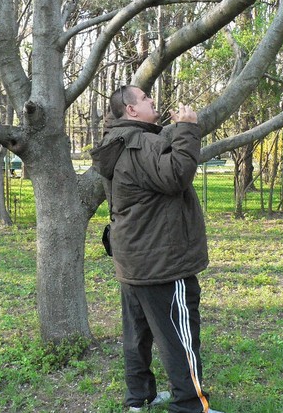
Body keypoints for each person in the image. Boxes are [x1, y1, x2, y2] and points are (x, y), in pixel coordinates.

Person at [91, 85, 223, 413]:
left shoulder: (117, 143)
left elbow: (158, 160)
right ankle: (191, 406)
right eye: (146, 99)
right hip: (161, 261)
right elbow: (177, 174)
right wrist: (189, 129)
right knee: (180, 337)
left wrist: (176, 131)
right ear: (131, 110)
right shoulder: (140, 144)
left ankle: (139, 399)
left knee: (137, 334)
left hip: (133, 258)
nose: (153, 101)